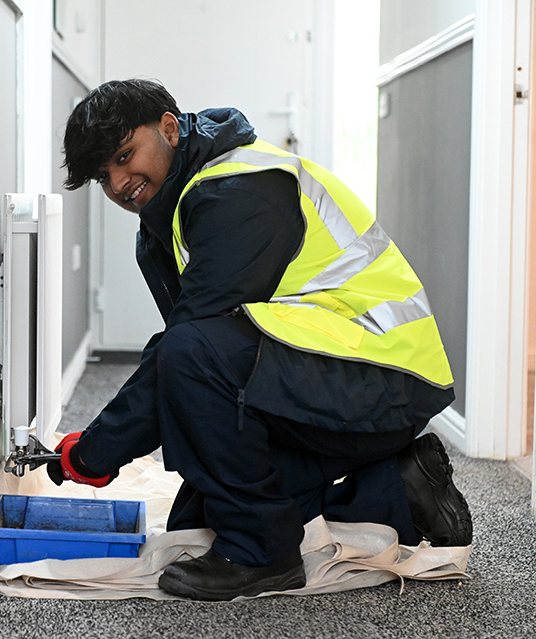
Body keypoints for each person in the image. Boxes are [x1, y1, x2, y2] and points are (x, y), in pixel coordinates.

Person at [46, 78, 472, 601]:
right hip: (332, 375)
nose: (118, 184)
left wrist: (93, 454)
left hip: (385, 377)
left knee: (191, 368)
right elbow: (205, 386)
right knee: (199, 512)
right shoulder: (169, 219)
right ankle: (401, 488)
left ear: (170, 128)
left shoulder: (239, 193)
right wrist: (103, 448)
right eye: (102, 176)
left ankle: (261, 555)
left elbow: (184, 356)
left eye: (124, 156)